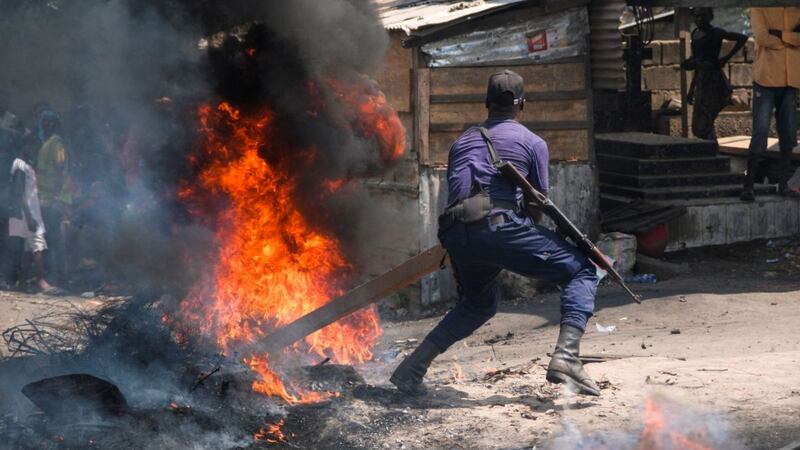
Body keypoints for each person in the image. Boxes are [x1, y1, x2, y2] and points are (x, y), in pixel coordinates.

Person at [390, 70, 601, 397]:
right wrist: (531, 239)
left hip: (455, 231)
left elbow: (458, 193)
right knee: (583, 270)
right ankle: (567, 357)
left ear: (486, 104)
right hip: (498, 225)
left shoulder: (462, 142)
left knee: (479, 303)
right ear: (522, 105)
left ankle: (411, 368)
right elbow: (537, 203)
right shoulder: (533, 143)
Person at [742, 7, 800, 201]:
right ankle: (748, 186)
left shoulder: (796, 8)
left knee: (788, 135)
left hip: (790, 80)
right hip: (766, 79)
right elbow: (763, 38)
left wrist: (781, 35)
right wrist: (791, 39)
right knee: (760, 133)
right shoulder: (760, 7)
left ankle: (783, 185)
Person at [681, 8, 747, 141]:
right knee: (700, 120)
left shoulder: (716, 33)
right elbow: (696, 63)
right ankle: (710, 146)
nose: (699, 19)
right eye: (696, 16)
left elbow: (742, 38)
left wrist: (726, 58)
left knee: (706, 117)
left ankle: (711, 146)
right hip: (701, 79)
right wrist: (691, 89)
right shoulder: (695, 34)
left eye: (703, 16)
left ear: (710, 17)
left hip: (713, 80)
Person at [8, 137, 58, 293]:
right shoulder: (20, 165)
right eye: (35, 146)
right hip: (27, 213)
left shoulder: (27, 165)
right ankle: (41, 281)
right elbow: (19, 193)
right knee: (38, 245)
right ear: (26, 145)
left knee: (28, 249)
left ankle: (22, 282)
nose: (37, 150)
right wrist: (29, 217)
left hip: (31, 212)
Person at [35, 109, 73, 281]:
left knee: (54, 238)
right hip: (46, 197)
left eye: (47, 122)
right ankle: (53, 275)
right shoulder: (47, 143)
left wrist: (56, 198)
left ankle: (60, 277)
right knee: (49, 237)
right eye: (43, 121)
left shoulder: (57, 144)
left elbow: (59, 170)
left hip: (54, 199)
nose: (44, 125)